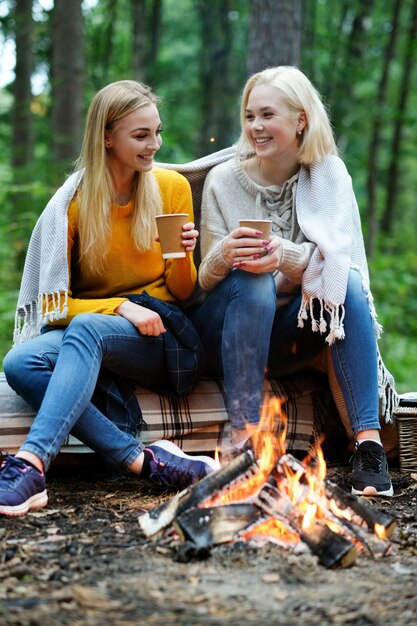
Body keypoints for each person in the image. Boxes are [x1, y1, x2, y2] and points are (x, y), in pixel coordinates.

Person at [0, 80, 216, 517]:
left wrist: (182, 256)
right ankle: (144, 460)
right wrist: (118, 306)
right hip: (101, 328)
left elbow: (183, 293)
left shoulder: (171, 188)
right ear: (106, 136)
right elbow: (54, 306)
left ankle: (31, 463)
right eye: (141, 135)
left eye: (156, 132)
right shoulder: (72, 205)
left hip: (162, 334)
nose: (154, 144)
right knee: (20, 363)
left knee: (87, 328)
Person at [188, 66, 398, 497]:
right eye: (249, 116)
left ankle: (368, 447)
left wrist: (282, 254)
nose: (255, 127)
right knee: (253, 280)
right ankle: (246, 436)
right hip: (225, 333)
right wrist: (225, 254)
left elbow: (335, 263)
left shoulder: (329, 176)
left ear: (301, 119)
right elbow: (199, 286)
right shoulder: (222, 181)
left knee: (350, 286)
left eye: (267, 115)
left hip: (292, 336)